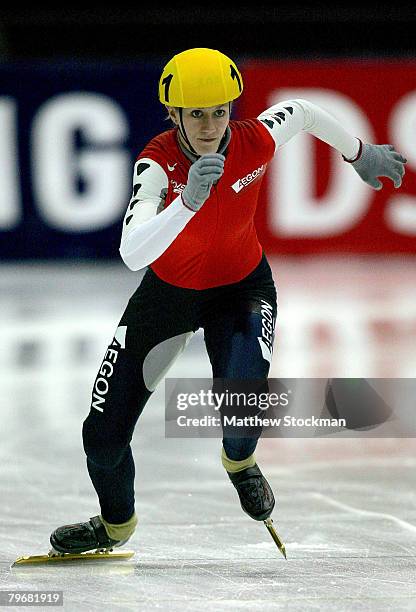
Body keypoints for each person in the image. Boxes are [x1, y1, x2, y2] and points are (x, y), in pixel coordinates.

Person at [50, 48, 407, 554]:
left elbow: (302, 111)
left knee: (242, 417)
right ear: (172, 113)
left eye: (219, 110)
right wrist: (185, 203)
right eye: (195, 113)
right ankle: (115, 526)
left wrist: (357, 151)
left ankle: (239, 462)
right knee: (102, 438)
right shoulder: (156, 164)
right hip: (168, 297)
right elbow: (133, 253)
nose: (210, 124)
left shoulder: (253, 139)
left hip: (242, 291)